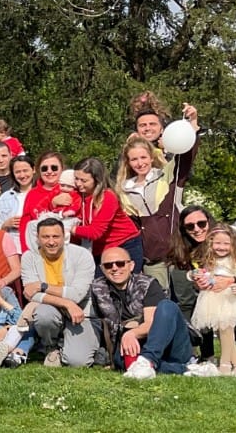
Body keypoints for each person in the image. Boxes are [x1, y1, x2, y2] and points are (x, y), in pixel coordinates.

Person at [119, 97, 200, 285]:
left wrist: (192, 125)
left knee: (186, 296)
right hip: (152, 257)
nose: (140, 163)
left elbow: (185, 158)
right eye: (134, 159)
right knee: (158, 298)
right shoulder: (125, 188)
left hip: (179, 250)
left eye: (143, 158)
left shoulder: (166, 172)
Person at [89, 247, 193, 379]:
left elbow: (151, 323)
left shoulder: (148, 284)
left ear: (131, 265)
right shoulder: (97, 288)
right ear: (102, 268)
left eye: (120, 263)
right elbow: (102, 325)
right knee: (125, 362)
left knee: (167, 306)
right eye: (108, 265)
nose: (115, 268)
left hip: (168, 345)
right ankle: (188, 369)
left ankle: (148, 360)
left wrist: (132, 333)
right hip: (132, 347)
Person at [21, 218, 98, 367]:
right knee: (44, 314)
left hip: (81, 312)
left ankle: (69, 343)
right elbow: (31, 294)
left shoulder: (82, 255)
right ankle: (51, 346)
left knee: (78, 362)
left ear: (64, 237)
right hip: (52, 309)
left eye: (56, 236)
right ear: (37, 238)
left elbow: (76, 295)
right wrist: (67, 304)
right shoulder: (29, 257)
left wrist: (42, 286)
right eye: (45, 237)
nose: (51, 242)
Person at [189, 225, 236, 376]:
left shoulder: (235, 261)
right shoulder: (209, 260)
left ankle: (225, 364)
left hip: (229, 300)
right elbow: (198, 274)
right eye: (218, 243)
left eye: (226, 244)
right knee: (222, 332)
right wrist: (194, 275)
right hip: (211, 299)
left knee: (227, 330)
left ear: (233, 244)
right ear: (211, 243)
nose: (221, 247)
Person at [70, 157, 143, 267]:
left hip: (124, 245)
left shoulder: (108, 197)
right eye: (76, 178)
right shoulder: (78, 194)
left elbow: (95, 232)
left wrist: (68, 229)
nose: (78, 183)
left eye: (84, 181)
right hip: (98, 248)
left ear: (97, 180)